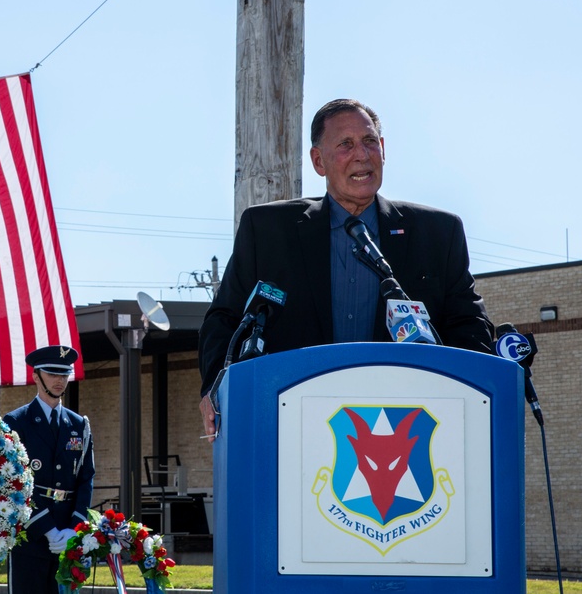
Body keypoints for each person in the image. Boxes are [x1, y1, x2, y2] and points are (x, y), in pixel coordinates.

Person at [198, 98, 494, 438]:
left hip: (405, 431)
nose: (362, 154)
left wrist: (473, 394)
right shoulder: (266, 231)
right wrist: (215, 388)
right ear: (318, 161)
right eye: (345, 144)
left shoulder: (437, 233)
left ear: (383, 149)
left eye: (370, 142)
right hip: (293, 430)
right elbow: (224, 320)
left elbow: (469, 328)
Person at [3, 345, 94, 594]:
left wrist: (73, 527)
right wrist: (47, 529)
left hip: (67, 534)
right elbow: (12, 484)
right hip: (30, 536)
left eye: (64, 374)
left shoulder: (79, 424)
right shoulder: (15, 423)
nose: (60, 380)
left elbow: (86, 479)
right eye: (53, 374)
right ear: (36, 376)